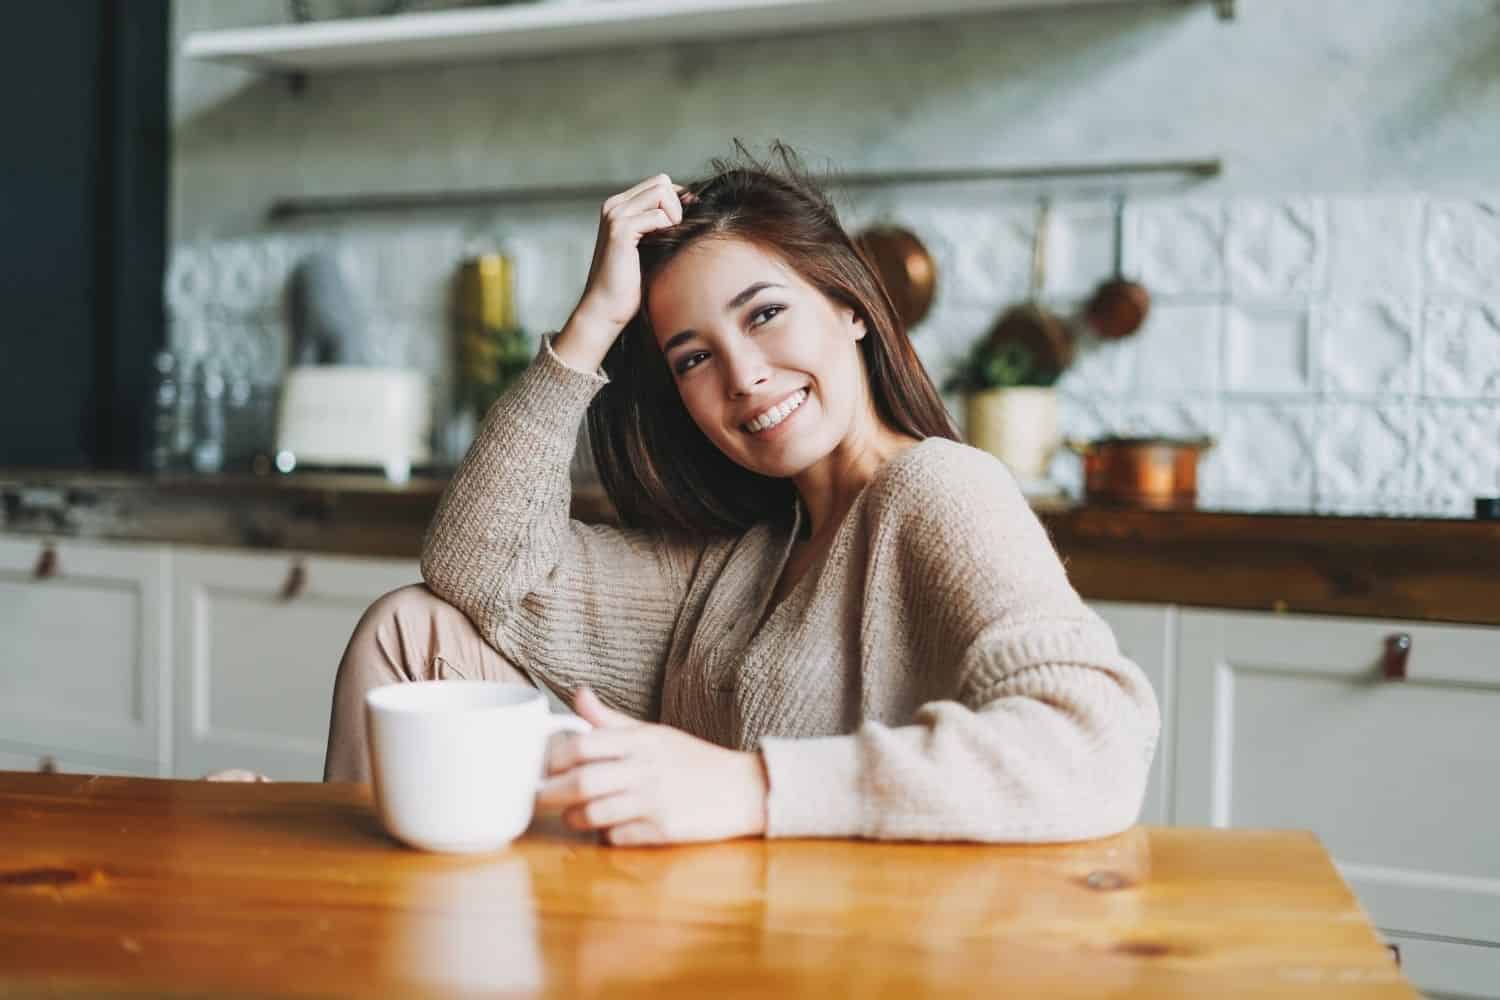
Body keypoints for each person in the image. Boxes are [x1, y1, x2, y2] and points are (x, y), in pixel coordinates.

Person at [322, 145, 1160, 846]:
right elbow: (475, 568)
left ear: (850, 307)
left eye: (763, 314)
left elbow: (1095, 744)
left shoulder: (937, 487)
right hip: (702, 932)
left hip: (855, 957)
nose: (744, 376)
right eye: (693, 357)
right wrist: (593, 323)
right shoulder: (748, 553)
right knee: (410, 626)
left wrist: (752, 788)